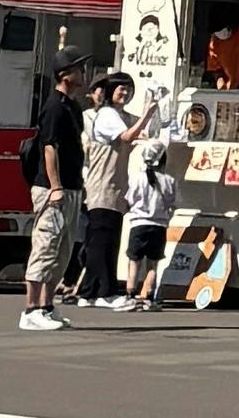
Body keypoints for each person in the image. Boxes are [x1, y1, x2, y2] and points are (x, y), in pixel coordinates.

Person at [18, 63, 88, 331]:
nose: (83, 73)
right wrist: (55, 185)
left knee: (62, 250)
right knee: (45, 245)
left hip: (72, 186)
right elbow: (49, 148)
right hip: (52, 189)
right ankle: (31, 309)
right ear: (64, 75)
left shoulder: (73, 107)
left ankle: (46, 306)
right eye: (78, 69)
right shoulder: (54, 107)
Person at [118, 95, 192, 308]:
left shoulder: (138, 178)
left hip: (138, 224)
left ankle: (130, 295)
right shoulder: (169, 180)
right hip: (159, 225)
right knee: (153, 264)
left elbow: (130, 199)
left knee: (134, 261)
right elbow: (172, 202)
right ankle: (149, 297)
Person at [77, 74, 136, 310]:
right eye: (122, 88)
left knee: (105, 240)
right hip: (101, 185)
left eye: (129, 89)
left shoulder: (121, 116)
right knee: (102, 241)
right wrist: (150, 111)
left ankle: (89, 292)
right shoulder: (106, 115)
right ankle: (105, 291)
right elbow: (128, 136)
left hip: (114, 187)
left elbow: (141, 131)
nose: (126, 93)